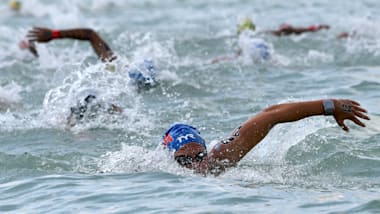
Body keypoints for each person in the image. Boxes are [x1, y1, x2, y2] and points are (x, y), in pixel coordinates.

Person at [161, 98, 369, 176]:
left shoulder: (221, 156)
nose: (196, 166)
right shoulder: (154, 172)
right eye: (184, 161)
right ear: (171, 160)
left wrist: (329, 106)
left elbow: (270, 115)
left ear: (206, 152)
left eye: (198, 157)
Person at [23, 27, 157, 88]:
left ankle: (36, 53)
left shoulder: (113, 66)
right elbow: (90, 34)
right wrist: (54, 34)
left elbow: (90, 34)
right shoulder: (114, 66)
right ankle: (36, 53)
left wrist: (55, 34)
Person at [212, 18, 330, 64]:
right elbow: (287, 30)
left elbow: (235, 58)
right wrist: (313, 29)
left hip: (253, 56)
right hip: (265, 54)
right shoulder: (263, 33)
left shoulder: (245, 40)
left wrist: (217, 60)